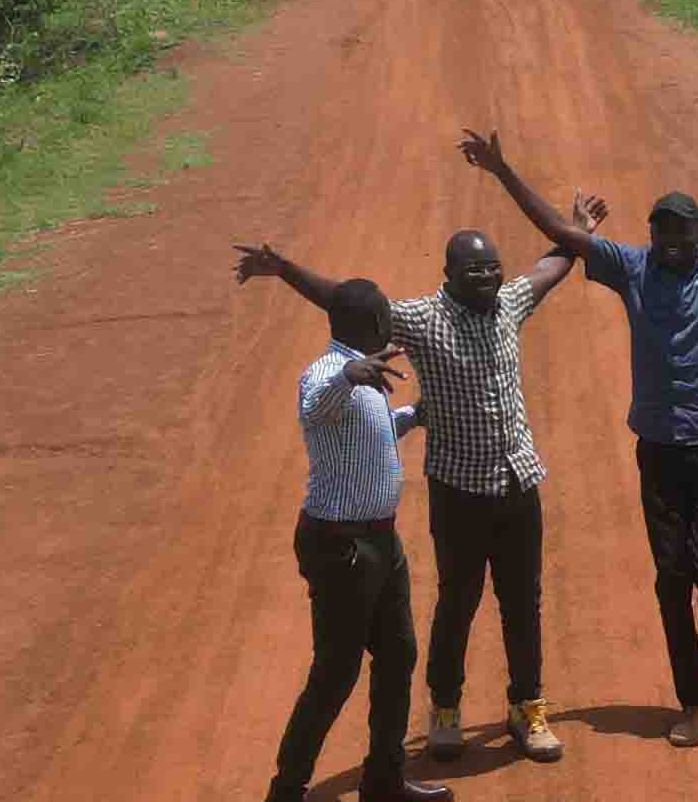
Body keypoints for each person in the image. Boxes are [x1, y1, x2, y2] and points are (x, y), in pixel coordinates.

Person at [462, 122, 698, 746]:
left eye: (682, 234)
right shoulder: (632, 268)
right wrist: (502, 168)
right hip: (657, 446)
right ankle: (694, 705)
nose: (671, 243)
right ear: (651, 235)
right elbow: (561, 235)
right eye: (662, 232)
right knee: (671, 577)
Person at [231, 186, 606, 763]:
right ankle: (447, 708)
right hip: (458, 489)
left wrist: (579, 232)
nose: (486, 277)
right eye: (473, 270)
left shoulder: (509, 303)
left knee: (522, 602)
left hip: (518, 482)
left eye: (492, 268)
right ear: (449, 274)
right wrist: (284, 271)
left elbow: (553, 264)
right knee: (458, 600)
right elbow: (349, 301)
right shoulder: (421, 320)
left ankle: (528, 708)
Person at [256, 279, 448, 802]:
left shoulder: (369, 375)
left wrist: (414, 415)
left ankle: (383, 774)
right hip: (339, 547)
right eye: (386, 316)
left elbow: (366, 440)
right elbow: (317, 409)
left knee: (398, 653)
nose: (392, 324)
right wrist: (348, 377)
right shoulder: (325, 374)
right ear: (368, 322)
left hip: (380, 543)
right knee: (335, 673)